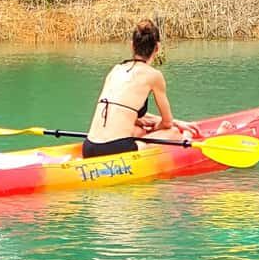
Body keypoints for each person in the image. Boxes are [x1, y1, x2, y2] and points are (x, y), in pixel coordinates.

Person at [82, 18, 200, 158]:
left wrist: (158, 123)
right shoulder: (154, 75)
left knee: (139, 130)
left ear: (132, 45)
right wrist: (159, 126)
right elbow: (167, 123)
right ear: (157, 48)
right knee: (173, 133)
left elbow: (122, 109)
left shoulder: (116, 70)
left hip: (89, 148)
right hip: (114, 149)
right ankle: (187, 137)